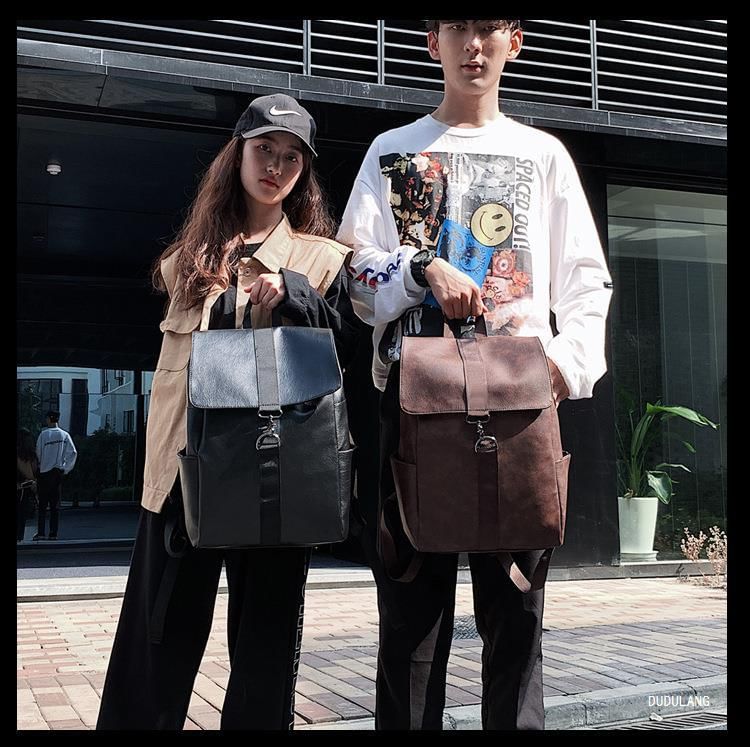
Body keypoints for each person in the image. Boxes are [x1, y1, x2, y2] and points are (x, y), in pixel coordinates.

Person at [337, 20, 613, 730]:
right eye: (457, 26)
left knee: (516, 612)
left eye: (488, 27)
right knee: (410, 619)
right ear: (432, 41)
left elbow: (586, 281)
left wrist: (562, 369)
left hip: (519, 405)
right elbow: (354, 276)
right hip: (414, 403)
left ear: (513, 41)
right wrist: (420, 267)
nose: (473, 45)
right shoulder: (391, 150)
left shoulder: (542, 154)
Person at [96, 93, 359, 731]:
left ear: (304, 171)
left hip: (276, 475)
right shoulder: (186, 262)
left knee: (265, 650)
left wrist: (295, 294)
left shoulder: (324, 261)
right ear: (237, 155)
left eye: (292, 157)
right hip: (180, 471)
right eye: (264, 149)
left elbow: (344, 353)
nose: (275, 166)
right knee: (154, 644)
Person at [34, 410, 77, 541]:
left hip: (44, 473)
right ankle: (53, 533)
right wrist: (66, 469)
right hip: (57, 472)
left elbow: (38, 452)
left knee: (42, 505)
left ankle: (41, 532)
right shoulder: (64, 435)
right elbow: (73, 453)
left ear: (48, 419)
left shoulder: (43, 435)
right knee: (55, 505)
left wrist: (40, 465)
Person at [17, 428, 39, 543]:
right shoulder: (32, 454)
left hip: (19, 485)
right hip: (27, 487)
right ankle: (19, 537)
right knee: (22, 515)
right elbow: (35, 470)